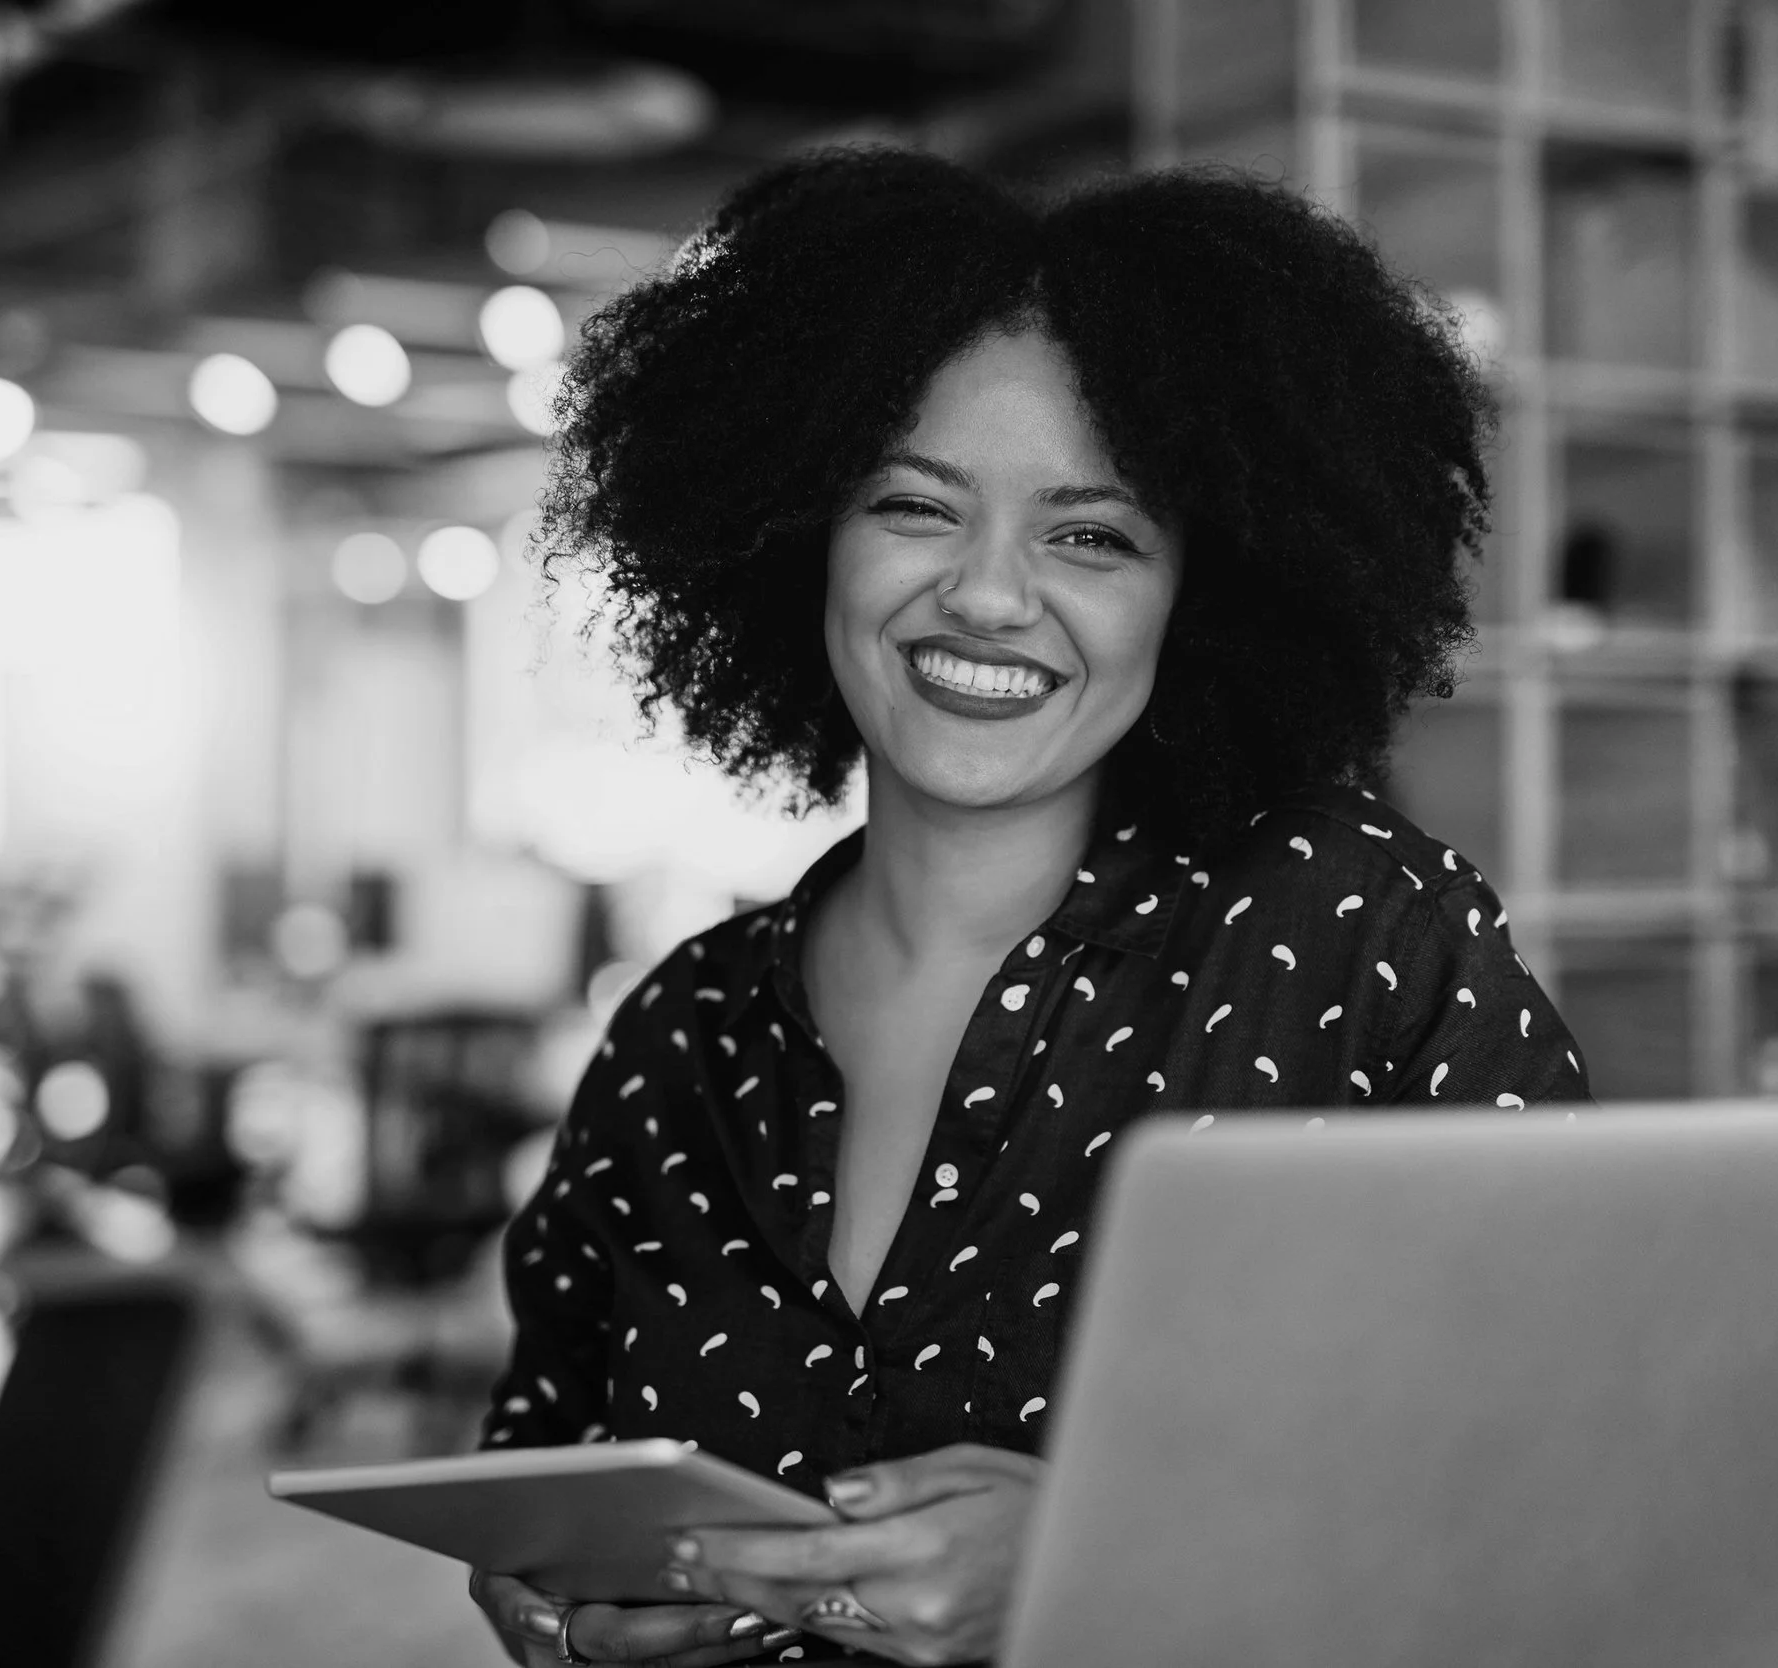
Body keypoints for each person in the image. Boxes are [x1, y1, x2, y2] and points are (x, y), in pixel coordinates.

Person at [468, 146, 1593, 1668]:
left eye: (1092, 534)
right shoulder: (681, 1036)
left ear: (1204, 591)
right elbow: (543, 1475)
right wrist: (562, 1612)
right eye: (916, 508)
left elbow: (1578, 1481)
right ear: (806, 534)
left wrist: (1103, 1559)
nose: (991, 596)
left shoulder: (1353, 939)